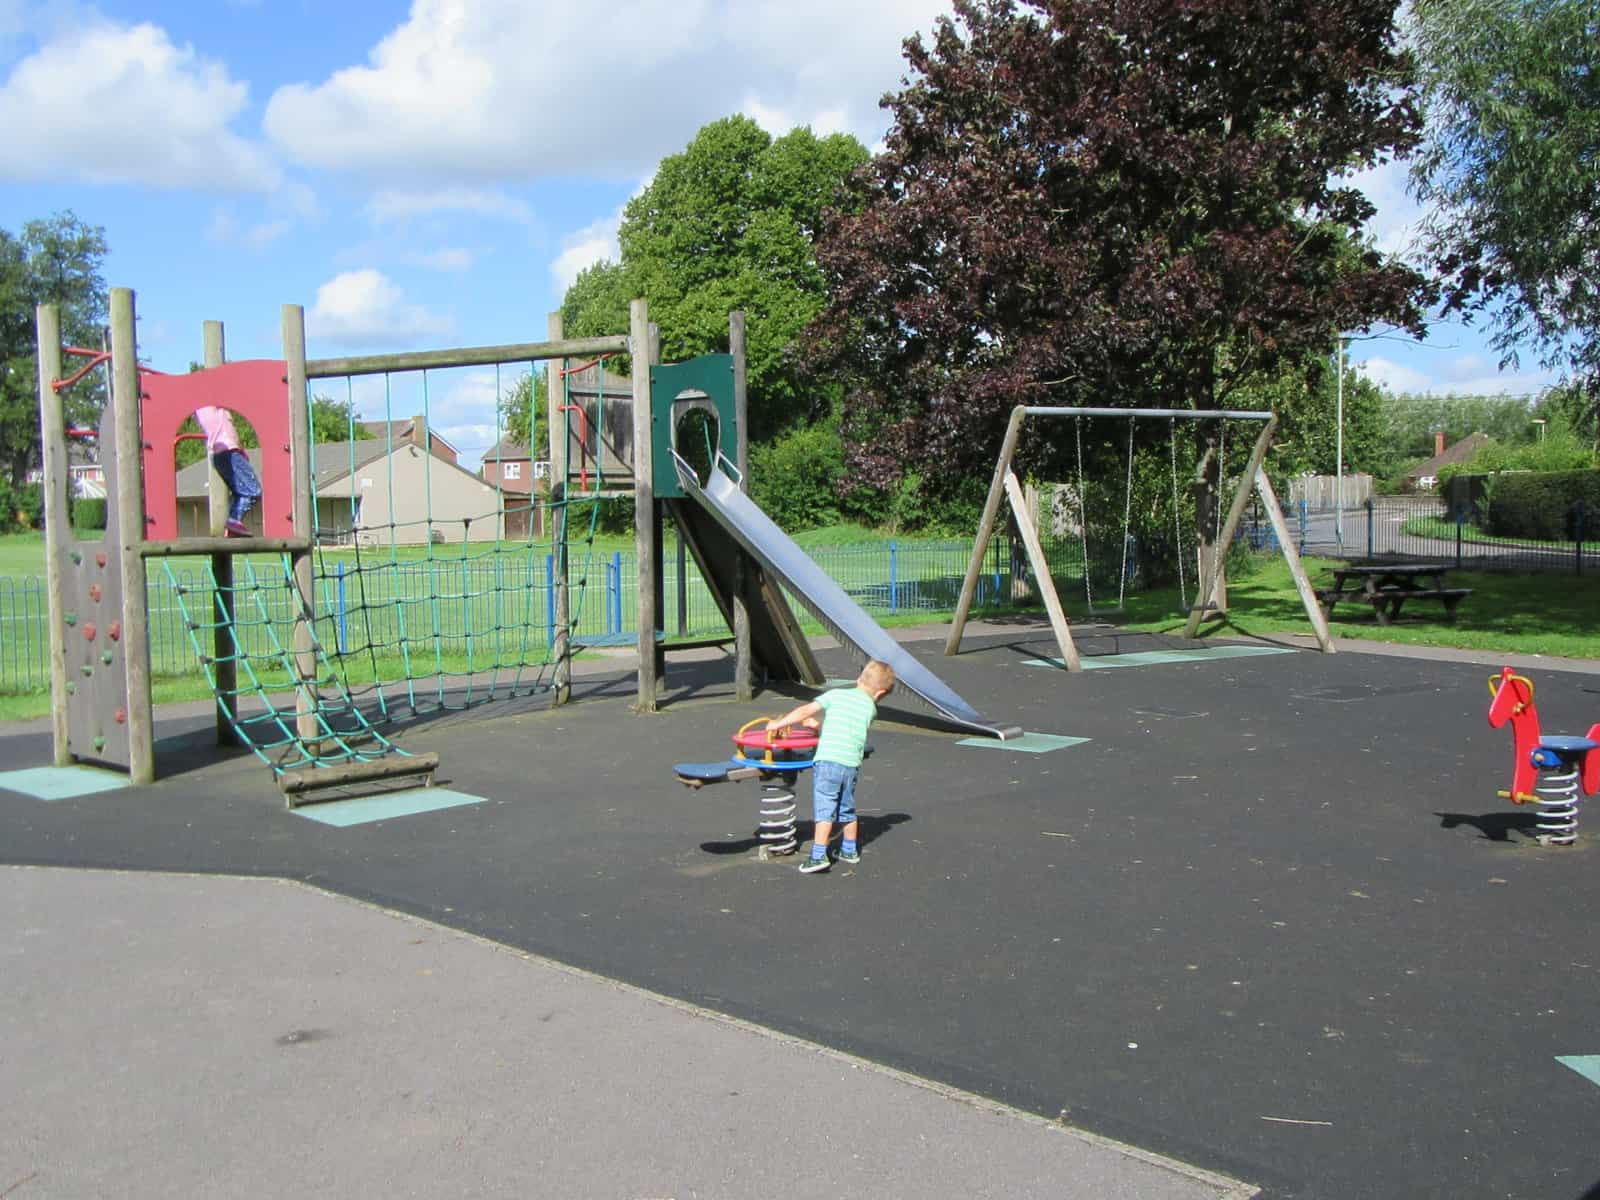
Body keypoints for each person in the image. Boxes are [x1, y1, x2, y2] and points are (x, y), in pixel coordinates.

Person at [766, 659, 896, 874]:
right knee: (847, 807)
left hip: (829, 762)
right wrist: (819, 726)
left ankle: (818, 856)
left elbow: (804, 710)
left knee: (825, 810)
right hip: (851, 765)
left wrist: (778, 724)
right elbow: (845, 726)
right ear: (880, 694)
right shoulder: (870, 709)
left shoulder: (835, 695)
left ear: (858, 679)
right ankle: (849, 850)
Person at [194, 406, 261, 537]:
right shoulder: (209, 406)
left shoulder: (215, 411)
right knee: (253, 490)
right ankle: (233, 521)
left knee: (241, 492)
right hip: (228, 452)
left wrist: (240, 449)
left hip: (226, 453)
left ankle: (233, 526)